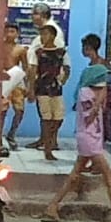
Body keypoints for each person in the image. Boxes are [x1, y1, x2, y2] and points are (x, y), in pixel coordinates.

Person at [42, 45, 111, 222]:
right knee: (107, 176)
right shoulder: (86, 93)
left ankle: (52, 206)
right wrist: (99, 100)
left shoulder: (91, 91)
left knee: (75, 175)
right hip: (88, 139)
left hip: (91, 138)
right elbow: (90, 115)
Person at [32, 25, 69, 161]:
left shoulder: (61, 52)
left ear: (53, 36)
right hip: (42, 89)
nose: (43, 37)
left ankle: (50, 139)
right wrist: (31, 89)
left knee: (58, 118)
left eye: (45, 34)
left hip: (56, 89)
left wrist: (63, 80)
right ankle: (48, 148)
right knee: (46, 119)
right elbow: (33, 70)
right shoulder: (38, 53)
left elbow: (67, 67)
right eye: (41, 34)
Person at [2, 24, 29, 150]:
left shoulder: (21, 49)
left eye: (12, 31)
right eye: (7, 31)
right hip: (3, 79)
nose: (9, 34)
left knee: (19, 110)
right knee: (2, 110)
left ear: (17, 34)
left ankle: (12, 134)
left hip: (17, 79)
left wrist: (28, 85)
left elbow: (25, 67)